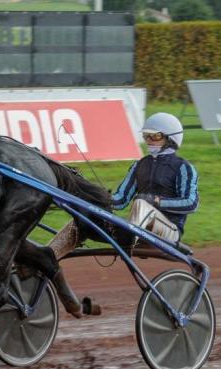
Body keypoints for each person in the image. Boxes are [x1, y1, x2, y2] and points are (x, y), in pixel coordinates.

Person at [45, 112, 199, 317]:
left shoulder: (183, 167)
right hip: (138, 225)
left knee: (142, 202)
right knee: (82, 219)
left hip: (168, 231)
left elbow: (191, 202)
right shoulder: (140, 165)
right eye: (147, 136)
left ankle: (129, 237)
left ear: (170, 138)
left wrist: (158, 202)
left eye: (155, 136)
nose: (149, 141)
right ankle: (46, 257)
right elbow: (119, 200)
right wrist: (89, 197)